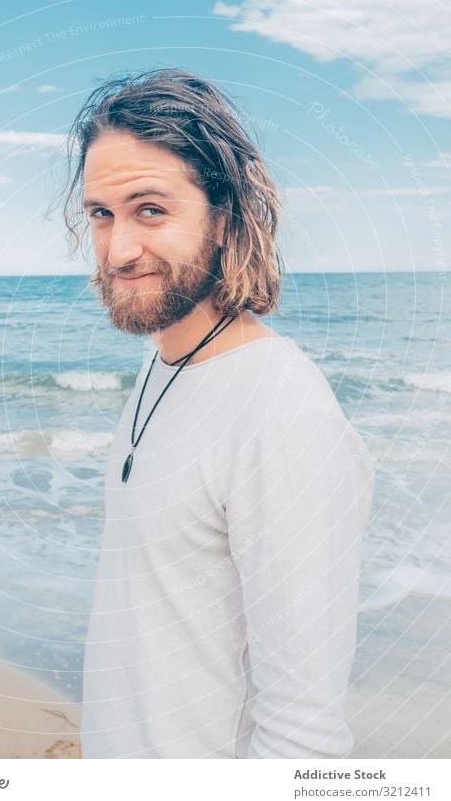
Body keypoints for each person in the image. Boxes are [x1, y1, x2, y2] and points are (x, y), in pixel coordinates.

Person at [61, 67, 376, 759]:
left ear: (226, 219)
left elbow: (304, 738)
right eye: (101, 214)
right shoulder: (161, 366)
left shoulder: (281, 414)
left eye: (150, 209)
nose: (117, 249)